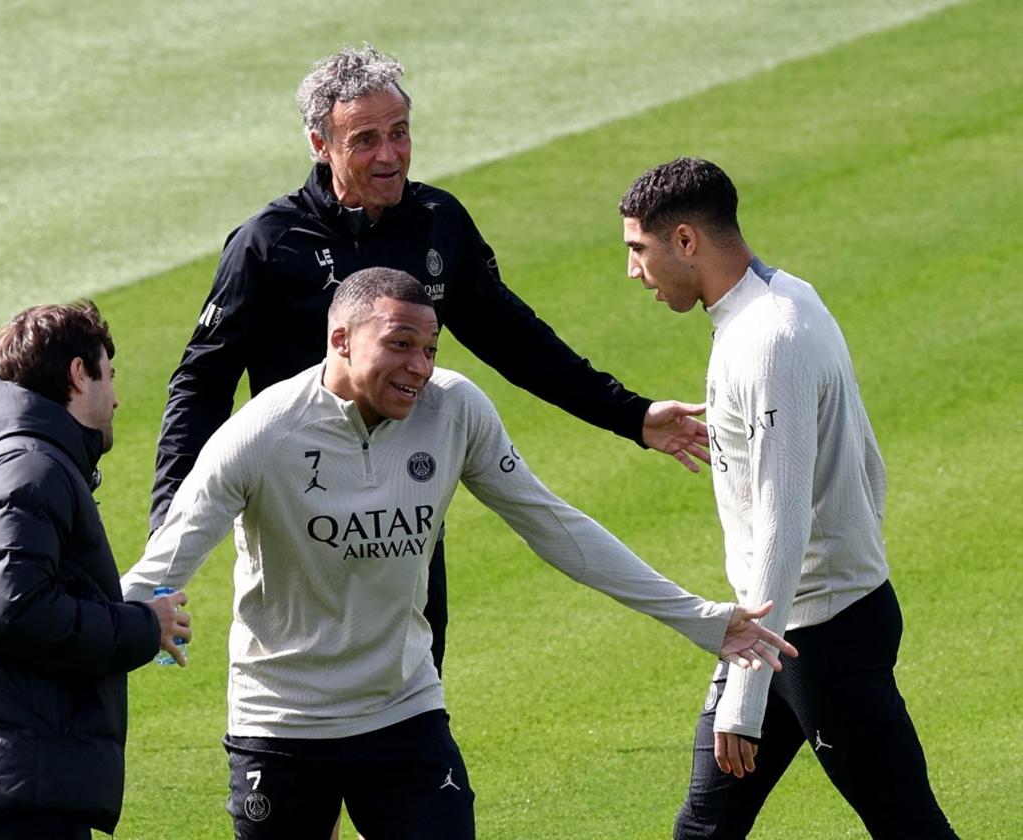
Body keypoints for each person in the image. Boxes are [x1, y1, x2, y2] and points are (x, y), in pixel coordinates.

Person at [121, 267, 798, 840]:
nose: (420, 367)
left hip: (402, 713)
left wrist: (702, 619)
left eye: (430, 348)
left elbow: (555, 527)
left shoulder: (455, 411)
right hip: (280, 722)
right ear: (339, 340)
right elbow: (163, 564)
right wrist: (103, 634)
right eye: (400, 344)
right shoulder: (262, 435)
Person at [149, 44, 710, 682]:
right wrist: (168, 542)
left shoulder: (438, 223)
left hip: (404, 503)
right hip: (297, 511)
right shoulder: (269, 243)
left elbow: (514, 338)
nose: (389, 156)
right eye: (365, 140)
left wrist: (631, 416)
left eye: (400, 134)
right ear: (319, 143)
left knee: (412, 673)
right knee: (297, 673)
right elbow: (202, 384)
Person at [619, 158, 959, 839]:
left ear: (686, 241)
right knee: (705, 829)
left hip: (815, 637)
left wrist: (743, 693)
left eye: (639, 250)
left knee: (909, 828)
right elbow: (867, 459)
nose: (634, 272)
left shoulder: (769, 339)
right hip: (791, 626)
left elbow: (782, 520)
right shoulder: (785, 300)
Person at [0, 302, 193, 840]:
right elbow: (14, 609)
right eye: (111, 374)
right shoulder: (29, 467)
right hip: (21, 798)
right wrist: (144, 626)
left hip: (0, 791)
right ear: (80, 373)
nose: (119, 398)